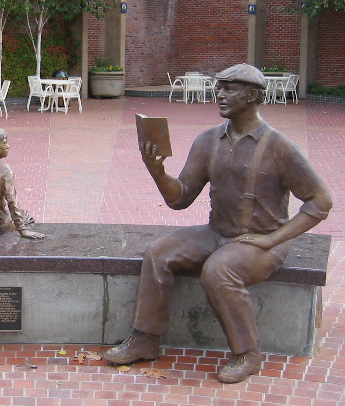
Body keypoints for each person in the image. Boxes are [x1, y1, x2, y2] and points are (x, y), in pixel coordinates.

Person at [103, 64, 332, 383]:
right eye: (219, 87)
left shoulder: (279, 147)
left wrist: (272, 240)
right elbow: (180, 198)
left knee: (218, 271)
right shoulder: (208, 141)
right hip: (217, 233)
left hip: (261, 242)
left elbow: (320, 202)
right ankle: (145, 338)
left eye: (229, 88)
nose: (220, 94)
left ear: (252, 95)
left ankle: (248, 353)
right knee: (158, 253)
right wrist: (158, 172)